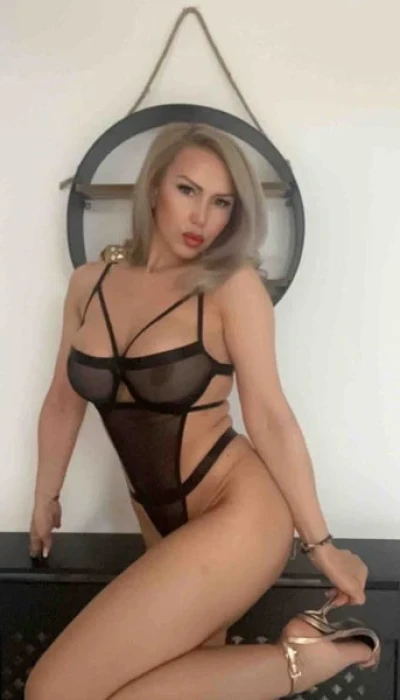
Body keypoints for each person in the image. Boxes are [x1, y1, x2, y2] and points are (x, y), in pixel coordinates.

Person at [26, 122, 379, 700]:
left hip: (238, 511)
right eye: (187, 190)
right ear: (154, 188)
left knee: (53, 691)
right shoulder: (89, 285)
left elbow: (271, 418)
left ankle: (310, 659)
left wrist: (321, 545)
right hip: (156, 517)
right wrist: (45, 497)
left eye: (221, 202)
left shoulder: (232, 288)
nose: (201, 218)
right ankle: (305, 654)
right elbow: (63, 402)